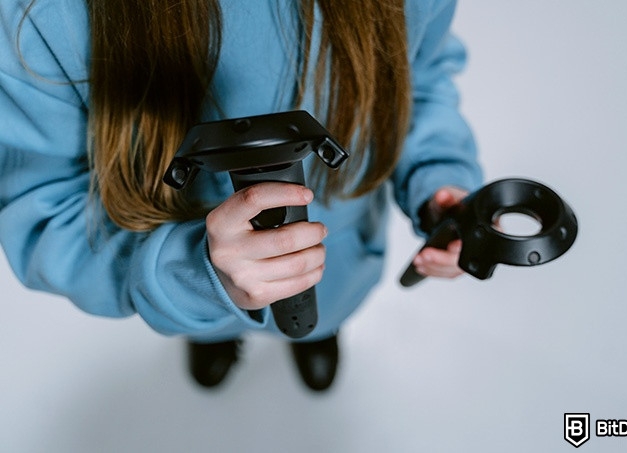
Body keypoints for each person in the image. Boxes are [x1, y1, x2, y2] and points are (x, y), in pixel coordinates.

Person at [0, 0, 482, 391]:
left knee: (322, 309)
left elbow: (419, 78)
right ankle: (216, 334)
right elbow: (44, 208)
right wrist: (191, 277)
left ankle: (318, 331)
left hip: (340, 253)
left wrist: (437, 178)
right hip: (193, 277)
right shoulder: (46, 17)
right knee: (215, 315)